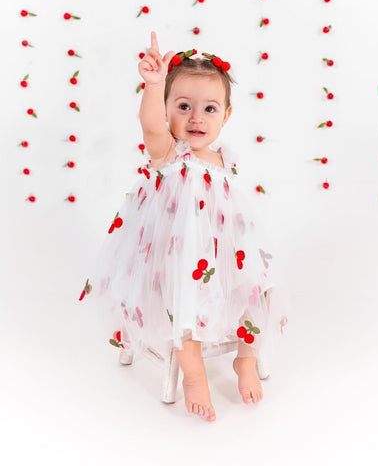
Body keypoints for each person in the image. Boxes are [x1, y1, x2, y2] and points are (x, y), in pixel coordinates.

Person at [79, 31, 289, 422]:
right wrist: (154, 85)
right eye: (183, 106)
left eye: (210, 109)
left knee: (261, 289)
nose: (196, 117)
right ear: (167, 110)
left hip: (225, 248)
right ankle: (194, 375)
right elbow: (151, 126)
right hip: (178, 255)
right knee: (184, 305)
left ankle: (246, 359)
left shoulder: (223, 156)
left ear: (226, 116)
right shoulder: (169, 150)